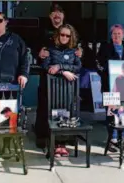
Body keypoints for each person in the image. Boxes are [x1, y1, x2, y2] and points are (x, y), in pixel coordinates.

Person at [40, 24, 81, 157]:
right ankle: (53, 144)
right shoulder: (50, 49)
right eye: (62, 34)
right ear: (58, 35)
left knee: (66, 115)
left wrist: (60, 67)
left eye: (67, 35)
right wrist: (63, 72)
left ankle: (62, 144)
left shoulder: (74, 51)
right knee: (53, 114)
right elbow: (47, 67)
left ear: (71, 37)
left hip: (68, 90)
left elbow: (78, 67)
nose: (64, 37)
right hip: (53, 89)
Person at [97, 24, 124, 153]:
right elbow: (98, 64)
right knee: (112, 113)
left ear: (123, 34)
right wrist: (106, 73)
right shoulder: (105, 48)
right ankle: (112, 140)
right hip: (111, 87)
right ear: (111, 35)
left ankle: (123, 139)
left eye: (119, 34)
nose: (116, 36)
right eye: (114, 34)